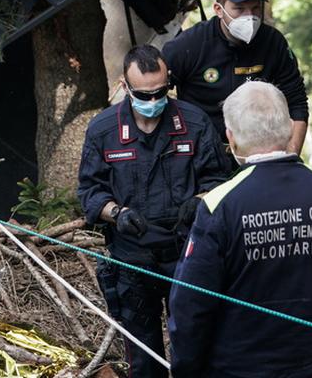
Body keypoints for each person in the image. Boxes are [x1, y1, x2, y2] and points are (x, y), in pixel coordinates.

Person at [167, 82, 312, 377]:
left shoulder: (220, 204)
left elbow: (190, 308)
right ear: (289, 127)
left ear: (232, 138)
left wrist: (186, 370)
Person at [77, 45, 229, 378]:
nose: (153, 100)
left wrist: (200, 199)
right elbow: (89, 190)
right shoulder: (103, 130)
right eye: (144, 95)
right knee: (144, 359)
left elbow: (219, 180)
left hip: (186, 254)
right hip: (132, 255)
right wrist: (116, 213)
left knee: (197, 347)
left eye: (161, 92)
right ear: (125, 86)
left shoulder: (194, 121)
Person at [163, 0, 309, 167]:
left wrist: (290, 156)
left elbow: (297, 102)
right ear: (219, 9)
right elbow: (154, 96)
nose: (249, 16)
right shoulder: (188, 46)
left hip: (261, 159)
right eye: (239, 9)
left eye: (255, 8)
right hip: (200, 158)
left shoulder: (273, 43)